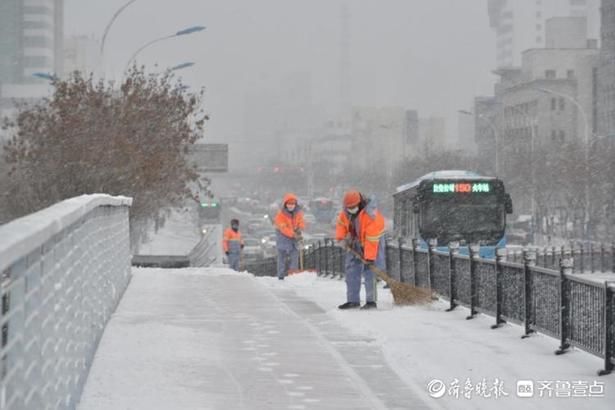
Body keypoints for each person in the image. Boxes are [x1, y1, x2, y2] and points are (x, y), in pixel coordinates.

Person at [335, 190, 386, 310]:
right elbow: (341, 225)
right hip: (355, 241)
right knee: (351, 270)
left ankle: (371, 301)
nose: (351, 209)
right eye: (349, 207)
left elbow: (372, 238)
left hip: (373, 242)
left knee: (370, 271)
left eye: (353, 207)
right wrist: (341, 239)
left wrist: (369, 257)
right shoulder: (345, 213)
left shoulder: (371, 215)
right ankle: (353, 300)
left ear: (359, 203)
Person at [274, 193, 305, 280]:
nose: (291, 206)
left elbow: (301, 222)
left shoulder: (298, 214)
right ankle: (281, 275)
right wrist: (293, 234)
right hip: (283, 238)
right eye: (289, 204)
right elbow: (283, 228)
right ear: (285, 204)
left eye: (292, 204)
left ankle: (293, 274)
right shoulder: (280, 216)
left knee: (294, 257)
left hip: (294, 239)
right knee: (282, 258)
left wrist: (299, 229)